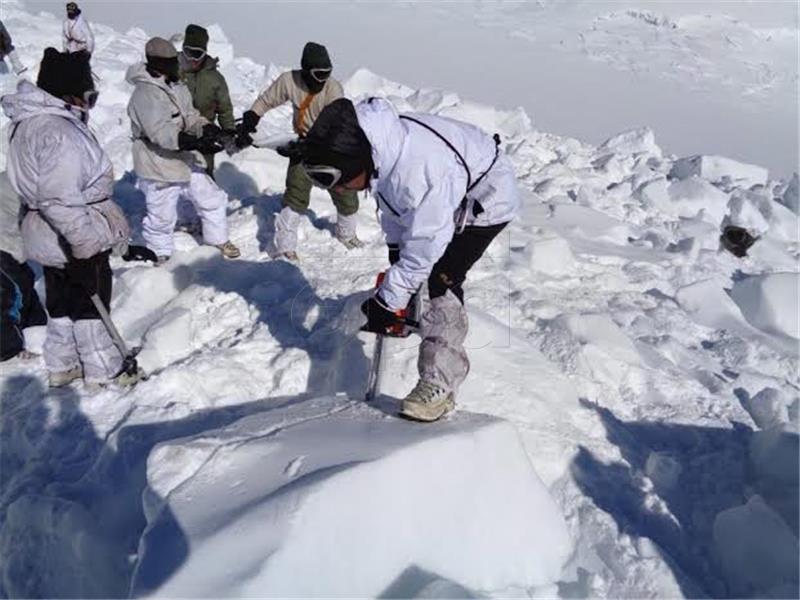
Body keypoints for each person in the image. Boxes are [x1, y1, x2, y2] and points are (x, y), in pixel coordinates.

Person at [300, 97, 519, 422]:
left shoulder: (420, 170)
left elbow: (425, 243)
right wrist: (395, 252)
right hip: (447, 191)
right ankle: (416, 315)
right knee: (409, 266)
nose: (340, 188)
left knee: (440, 280)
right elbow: (393, 205)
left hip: (487, 201)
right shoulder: (378, 149)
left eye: (334, 179)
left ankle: (439, 386)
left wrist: (389, 299)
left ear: (356, 162)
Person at [1, 48, 134, 387]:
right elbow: (60, 200)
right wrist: (86, 247)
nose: (90, 105)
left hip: (44, 232)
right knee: (90, 302)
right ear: (66, 93)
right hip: (72, 232)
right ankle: (103, 371)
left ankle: (62, 366)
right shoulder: (59, 133)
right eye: (88, 96)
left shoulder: (30, 123)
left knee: (60, 302)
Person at [236, 42, 361, 261]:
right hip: (303, 145)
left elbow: (339, 125)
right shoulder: (289, 81)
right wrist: (253, 116)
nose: (322, 79)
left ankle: (347, 234)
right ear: (305, 70)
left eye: (327, 74)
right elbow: (267, 100)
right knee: (295, 193)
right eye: (318, 74)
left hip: (331, 148)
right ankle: (285, 246)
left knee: (345, 193)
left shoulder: (333, 89)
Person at [126, 37, 241, 262]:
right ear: (157, 63)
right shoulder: (145, 93)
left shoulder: (175, 85)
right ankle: (160, 255)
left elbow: (189, 115)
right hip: (158, 162)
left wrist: (208, 130)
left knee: (212, 197)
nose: (175, 64)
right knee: (162, 216)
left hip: (182, 157)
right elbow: (160, 132)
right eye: (170, 61)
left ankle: (217, 239)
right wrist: (192, 142)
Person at [180, 24, 235, 179]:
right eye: (188, 52)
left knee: (204, 180)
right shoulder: (172, 70)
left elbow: (225, 109)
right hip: (176, 137)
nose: (192, 59)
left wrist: (228, 132)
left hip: (205, 137)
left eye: (197, 54)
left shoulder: (215, 79)